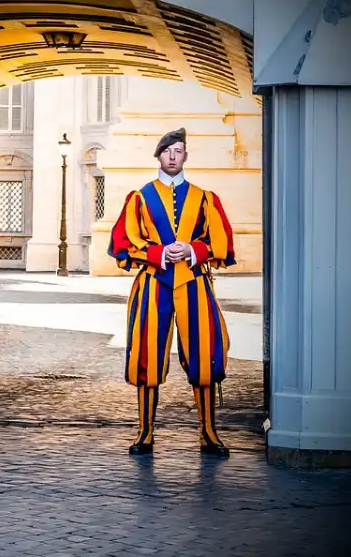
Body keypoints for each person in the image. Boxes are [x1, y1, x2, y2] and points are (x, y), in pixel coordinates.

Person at [107, 127, 235, 458]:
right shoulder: (140, 198)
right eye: (168, 151)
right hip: (153, 282)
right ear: (159, 156)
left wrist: (192, 250)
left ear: (186, 155)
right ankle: (145, 432)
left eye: (179, 151)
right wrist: (161, 253)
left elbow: (220, 241)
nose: (173, 156)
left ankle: (209, 432)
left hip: (193, 281)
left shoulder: (204, 198)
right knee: (147, 355)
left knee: (205, 355)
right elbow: (123, 241)